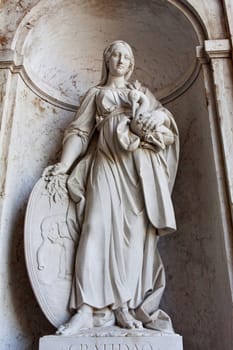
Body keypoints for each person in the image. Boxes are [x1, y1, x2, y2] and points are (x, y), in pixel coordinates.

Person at [43, 40, 179, 335]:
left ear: (131, 65)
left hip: (137, 172)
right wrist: (64, 165)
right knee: (94, 228)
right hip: (105, 164)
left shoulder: (142, 94)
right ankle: (85, 309)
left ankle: (124, 307)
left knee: (131, 241)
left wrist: (155, 117)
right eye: (116, 54)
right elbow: (79, 132)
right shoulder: (96, 94)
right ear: (107, 60)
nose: (121, 59)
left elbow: (165, 126)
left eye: (127, 56)